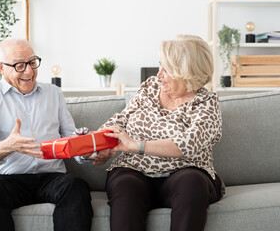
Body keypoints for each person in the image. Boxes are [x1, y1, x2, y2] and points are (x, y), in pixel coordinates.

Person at [93, 35, 224, 231]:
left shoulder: (206, 103)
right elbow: (121, 120)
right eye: (160, 66)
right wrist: (99, 144)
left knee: (192, 182)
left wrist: (137, 146)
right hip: (134, 171)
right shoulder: (149, 88)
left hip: (185, 173)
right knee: (125, 186)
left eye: (167, 69)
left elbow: (189, 143)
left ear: (188, 72)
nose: (159, 74)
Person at [0, 38, 93, 231]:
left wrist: (89, 150)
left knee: (75, 185)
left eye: (32, 62)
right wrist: (9, 145)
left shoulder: (53, 93)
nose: (29, 71)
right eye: (19, 66)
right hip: (9, 179)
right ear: (1, 68)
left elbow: (71, 137)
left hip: (51, 176)